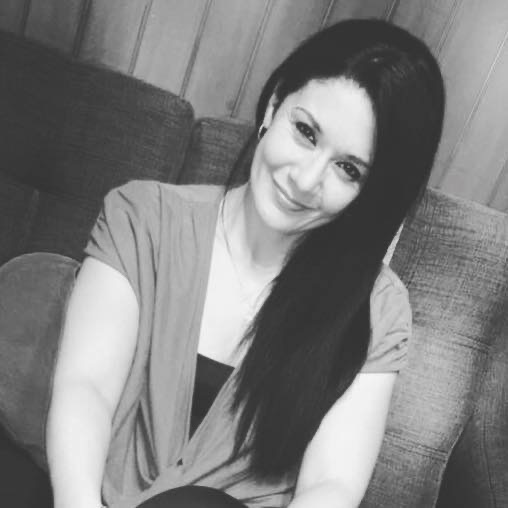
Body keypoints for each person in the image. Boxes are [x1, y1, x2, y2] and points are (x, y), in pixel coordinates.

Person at [46, 18, 445, 508]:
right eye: (305, 132)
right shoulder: (142, 217)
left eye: (348, 169)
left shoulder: (377, 308)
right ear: (274, 106)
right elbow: (85, 388)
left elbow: (333, 485)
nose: (305, 180)